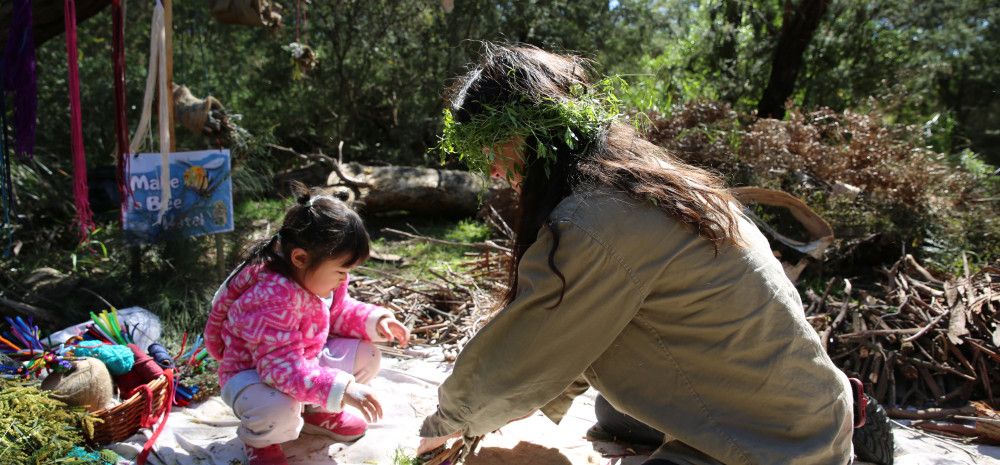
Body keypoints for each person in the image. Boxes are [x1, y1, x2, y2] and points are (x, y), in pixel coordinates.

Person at [417, 44, 854, 465]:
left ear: (532, 129)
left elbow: (530, 345)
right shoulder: (645, 182)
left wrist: (446, 426)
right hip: (813, 410)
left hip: (780, 446)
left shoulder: (595, 218)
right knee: (612, 412)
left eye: (492, 144)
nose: (491, 167)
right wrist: (527, 400)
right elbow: (579, 336)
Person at [204, 182, 411, 465]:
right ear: (300, 257)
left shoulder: (314, 274)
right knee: (277, 407)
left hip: (300, 362)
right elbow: (278, 370)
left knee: (368, 354)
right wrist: (342, 388)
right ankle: (261, 441)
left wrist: (376, 320)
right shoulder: (269, 298)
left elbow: (338, 311)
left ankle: (317, 413)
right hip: (254, 377)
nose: (343, 279)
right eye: (340, 271)